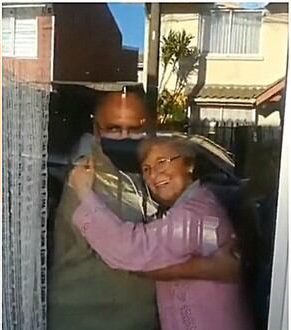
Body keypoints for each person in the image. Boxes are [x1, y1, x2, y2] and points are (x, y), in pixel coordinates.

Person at [47, 86, 240, 330]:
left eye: (135, 129)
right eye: (114, 129)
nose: (125, 137)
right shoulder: (88, 178)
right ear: (97, 131)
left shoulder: (148, 177)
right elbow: (130, 253)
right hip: (89, 319)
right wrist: (213, 268)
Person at [68, 137, 251, 330]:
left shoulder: (194, 213)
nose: (154, 174)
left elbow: (132, 250)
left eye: (162, 162)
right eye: (146, 169)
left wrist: (83, 192)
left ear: (188, 164)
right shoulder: (193, 205)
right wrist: (207, 268)